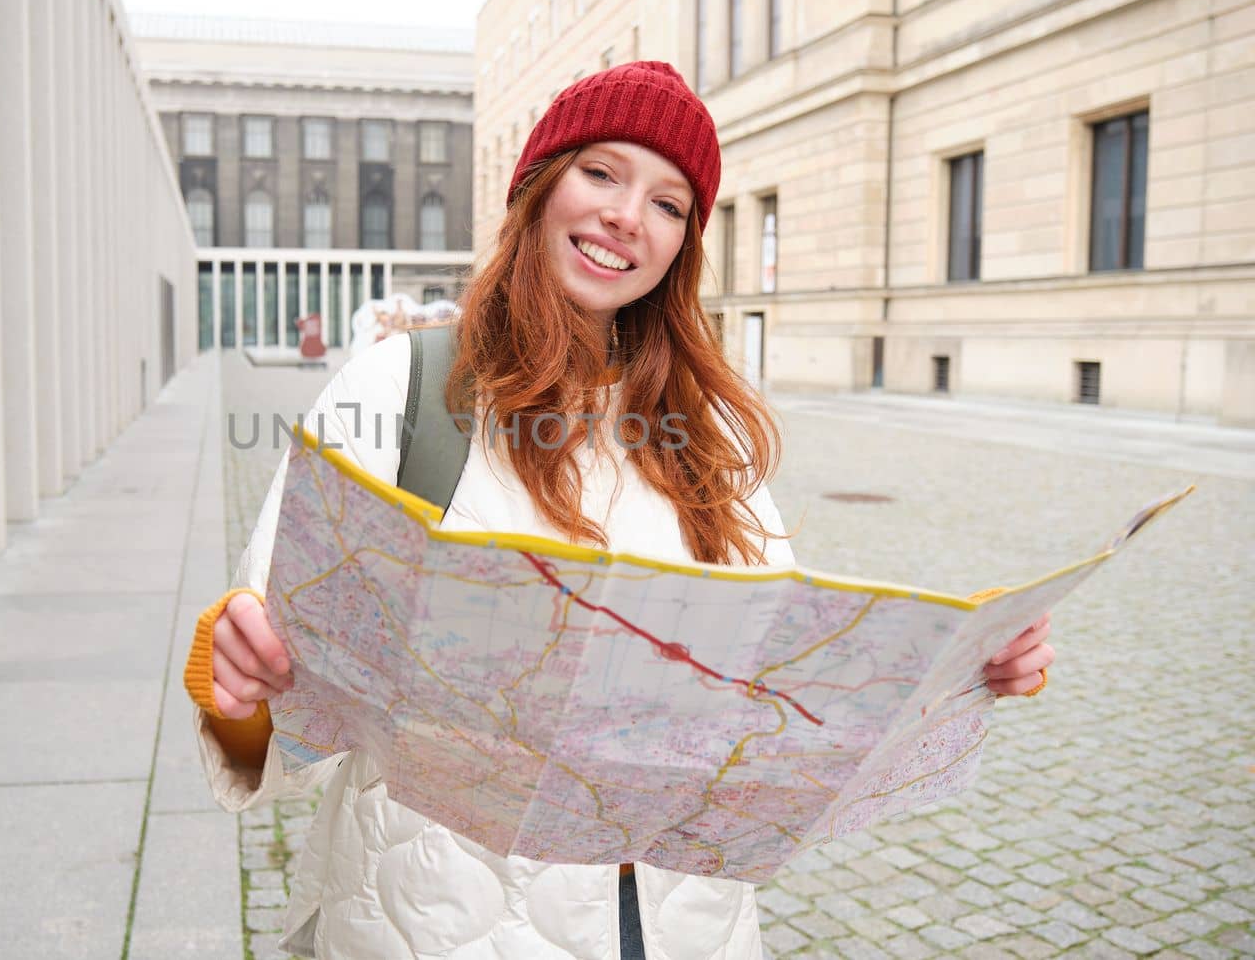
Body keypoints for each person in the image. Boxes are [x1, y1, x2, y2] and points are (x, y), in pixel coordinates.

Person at [182, 61, 1056, 960]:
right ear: (536, 188)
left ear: (684, 243)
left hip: (682, 926)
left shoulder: (708, 432)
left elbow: (784, 678)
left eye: (668, 203)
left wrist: (955, 671)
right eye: (600, 172)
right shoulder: (400, 388)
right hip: (440, 919)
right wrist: (239, 687)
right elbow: (271, 688)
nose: (626, 216)